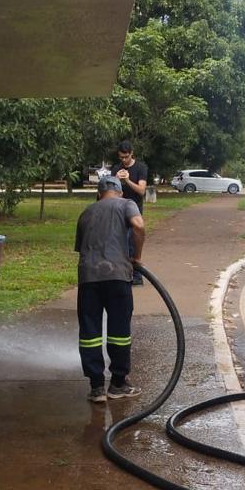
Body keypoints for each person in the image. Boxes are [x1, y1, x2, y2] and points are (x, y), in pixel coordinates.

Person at [74, 175, 146, 403]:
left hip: (88, 277)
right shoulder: (127, 204)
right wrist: (137, 257)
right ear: (120, 192)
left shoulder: (86, 212)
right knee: (119, 331)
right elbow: (138, 225)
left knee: (90, 332)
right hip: (117, 275)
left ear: (99, 194)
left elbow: (82, 248)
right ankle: (118, 384)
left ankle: (96, 388)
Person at [111, 140, 149, 286]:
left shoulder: (140, 168)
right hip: (119, 210)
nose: (123, 160)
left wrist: (127, 180)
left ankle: (137, 276)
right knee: (119, 243)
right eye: (121, 157)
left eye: (126, 157)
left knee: (133, 243)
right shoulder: (116, 169)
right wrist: (116, 179)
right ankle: (122, 275)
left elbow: (141, 190)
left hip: (134, 210)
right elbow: (111, 191)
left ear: (131, 153)